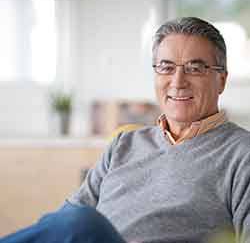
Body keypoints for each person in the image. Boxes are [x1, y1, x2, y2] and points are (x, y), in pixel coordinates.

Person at [1, 16, 250, 243]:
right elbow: (61, 223)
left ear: (221, 80)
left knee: (81, 222)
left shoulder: (242, 154)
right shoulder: (124, 144)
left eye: (195, 69)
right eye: (166, 67)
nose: (178, 81)